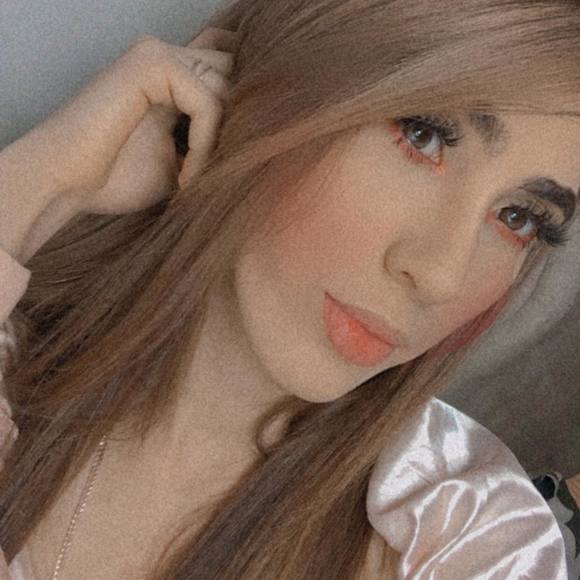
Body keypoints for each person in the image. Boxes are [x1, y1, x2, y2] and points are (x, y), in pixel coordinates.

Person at [0, 0, 579, 578]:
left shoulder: (473, 538)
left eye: (519, 218)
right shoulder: (15, 342)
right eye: (422, 135)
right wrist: (41, 181)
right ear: (262, 87)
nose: (440, 275)